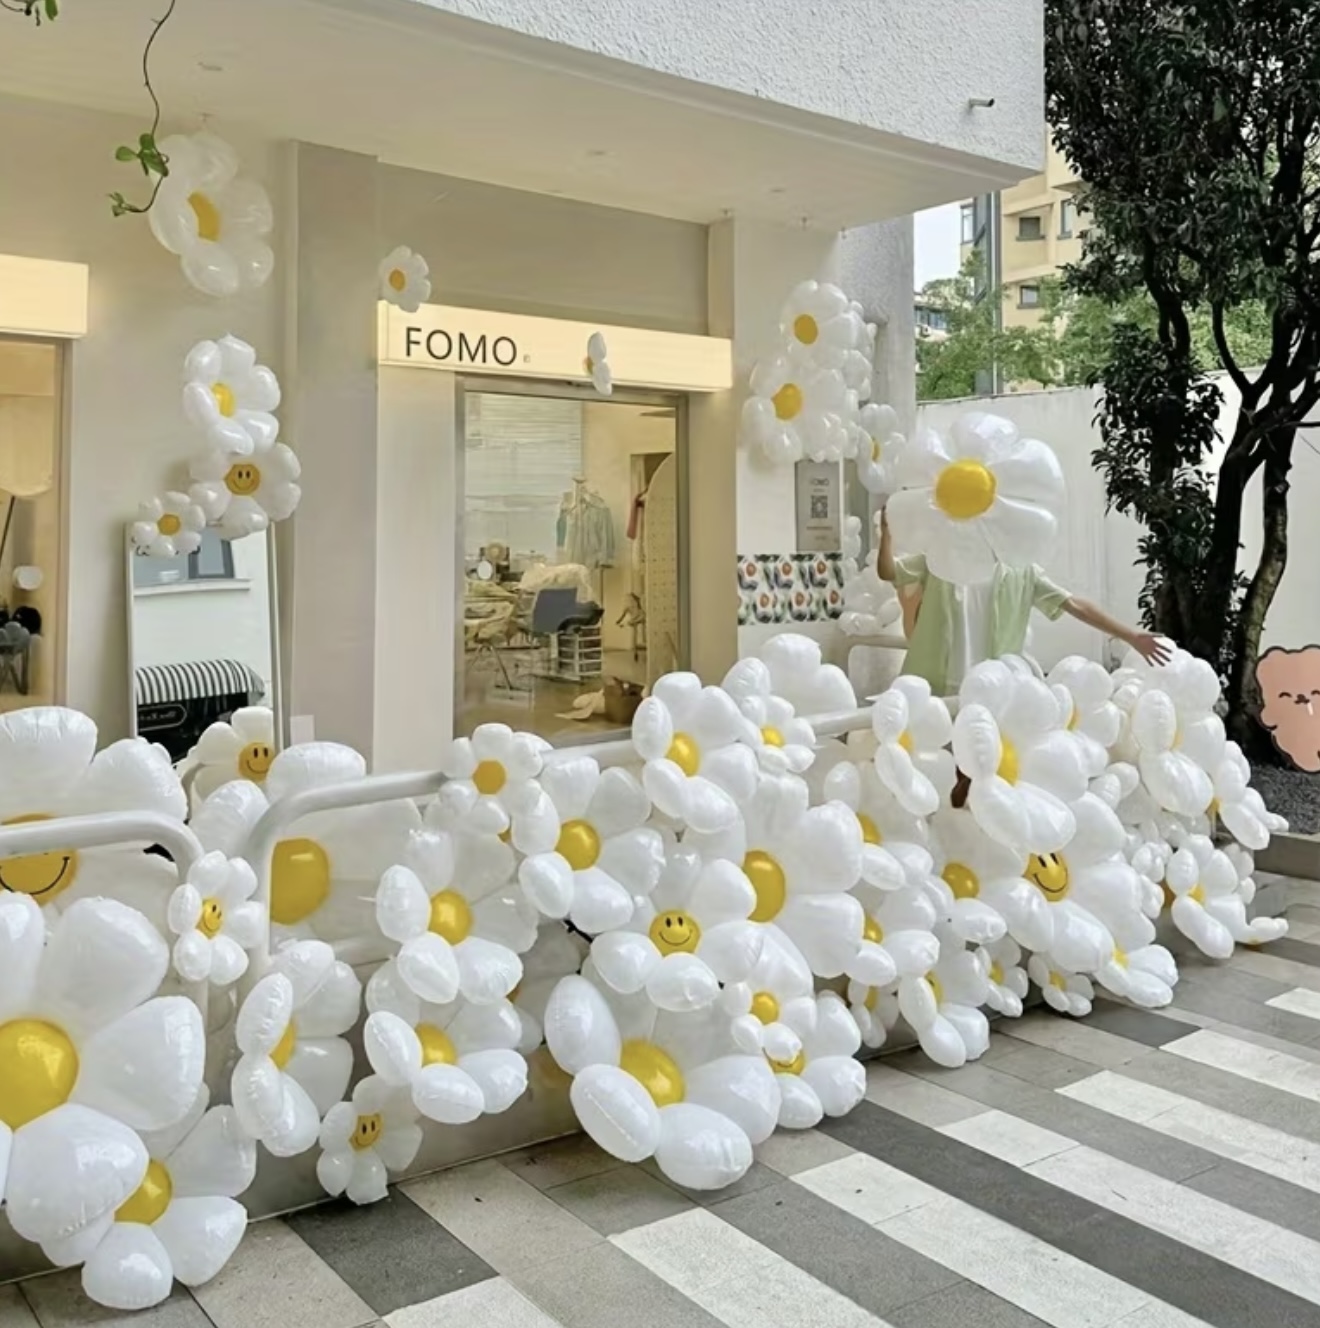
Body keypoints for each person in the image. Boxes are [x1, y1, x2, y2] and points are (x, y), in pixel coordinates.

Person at [875, 505, 1170, 695]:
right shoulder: (939, 560)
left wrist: (1130, 636)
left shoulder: (1021, 572)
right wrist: (886, 535)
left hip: (992, 688)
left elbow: (1075, 605)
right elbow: (888, 572)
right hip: (933, 685)